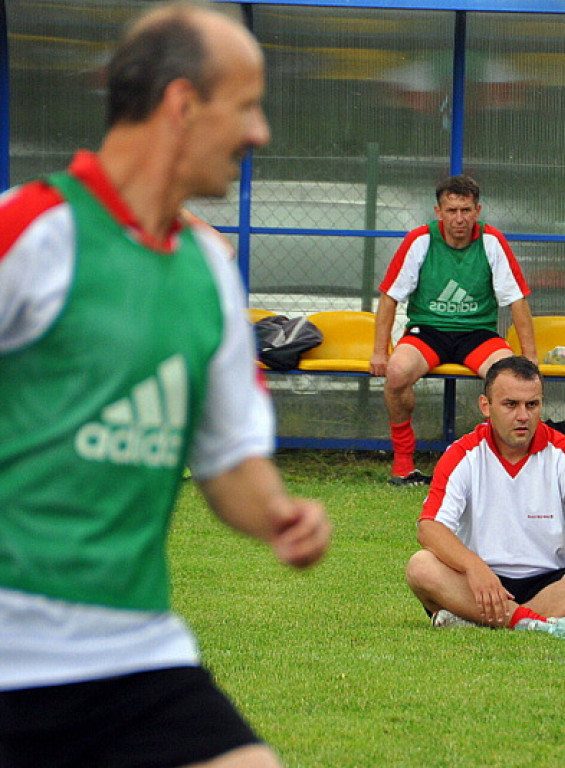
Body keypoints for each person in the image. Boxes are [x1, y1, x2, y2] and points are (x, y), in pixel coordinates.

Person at [0, 5, 332, 767]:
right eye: (246, 106)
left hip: (129, 652)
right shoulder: (32, 231)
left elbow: (228, 459)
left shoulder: (209, 274)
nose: (261, 134)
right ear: (182, 105)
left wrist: (279, 514)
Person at [405, 356, 565, 640]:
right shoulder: (462, 453)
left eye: (532, 405)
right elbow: (430, 528)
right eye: (511, 405)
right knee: (421, 566)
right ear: (485, 406)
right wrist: (473, 566)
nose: (523, 415)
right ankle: (535, 621)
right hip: (476, 581)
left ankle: (494, 620)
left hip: (550, 581)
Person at [371, 175, 537, 487]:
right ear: (438, 211)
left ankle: (503, 463)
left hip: (478, 334)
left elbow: (517, 300)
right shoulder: (420, 239)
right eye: (451, 210)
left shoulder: (492, 241)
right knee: (396, 372)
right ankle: (404, 462)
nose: (458, 218)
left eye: (465, 210)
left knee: (511, 382)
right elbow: (389, 296)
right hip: (428, 332)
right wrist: (380, 351)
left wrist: (530, 358)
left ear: (478, 210)